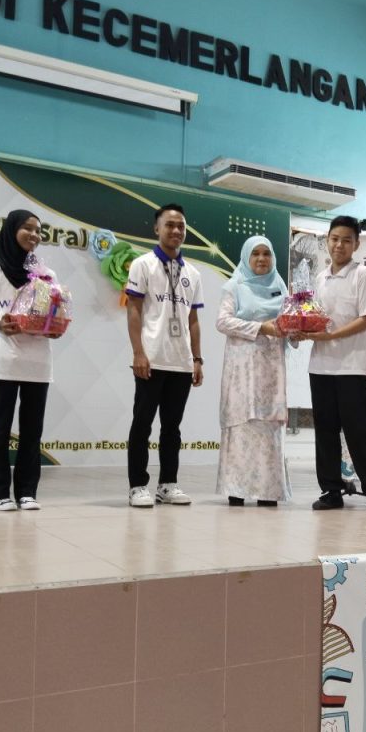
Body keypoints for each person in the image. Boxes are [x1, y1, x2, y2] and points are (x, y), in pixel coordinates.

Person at [299, 216, 366, 514]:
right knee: (325, 432)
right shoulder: (319, 279)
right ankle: (331, 491)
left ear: (356, 244)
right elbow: (314, 318)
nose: (339, 245)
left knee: (361, 431)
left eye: (346, 240)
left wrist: (330, 336)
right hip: (321, 367)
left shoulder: (362, 274)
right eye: (334, 239)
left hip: (354, 367)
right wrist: (301, 329)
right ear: (327, 241)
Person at [0, 209, 55, 511]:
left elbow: (46, 317)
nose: (34, 235)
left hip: (38, 364)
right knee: (0, 430)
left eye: (38, 231)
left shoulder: (45, 275)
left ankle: (27, 492)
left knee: (32, 432)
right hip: (3, 361)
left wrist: (54, 327)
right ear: (11, 230)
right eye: (28, 228)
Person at [125, 203, 203, 507]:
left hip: (181, 362)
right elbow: (133, 310)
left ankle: (168, 483)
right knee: (142, 424)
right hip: (151, 358)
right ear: (157, 228)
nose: (176, 230)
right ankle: (137, 486)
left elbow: (193, 320)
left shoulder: (193, 273)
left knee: (172, 427)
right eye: (170, 225)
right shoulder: (142, 265)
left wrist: (197, 359)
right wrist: (138, 353)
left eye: (181, 226)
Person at [216, 235, 291, 507]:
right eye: (255, 254)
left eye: (266, 253)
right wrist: (261, 327)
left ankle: (268, 491)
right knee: (241, 424)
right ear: (246, 257)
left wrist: (298, 330)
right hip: (241, 371)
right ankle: (236, 489)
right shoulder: (234, 287)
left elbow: (289, 325)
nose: (261, 259)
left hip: (271, 370)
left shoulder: (281, 289)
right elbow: (223, 322)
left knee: (268, 425)